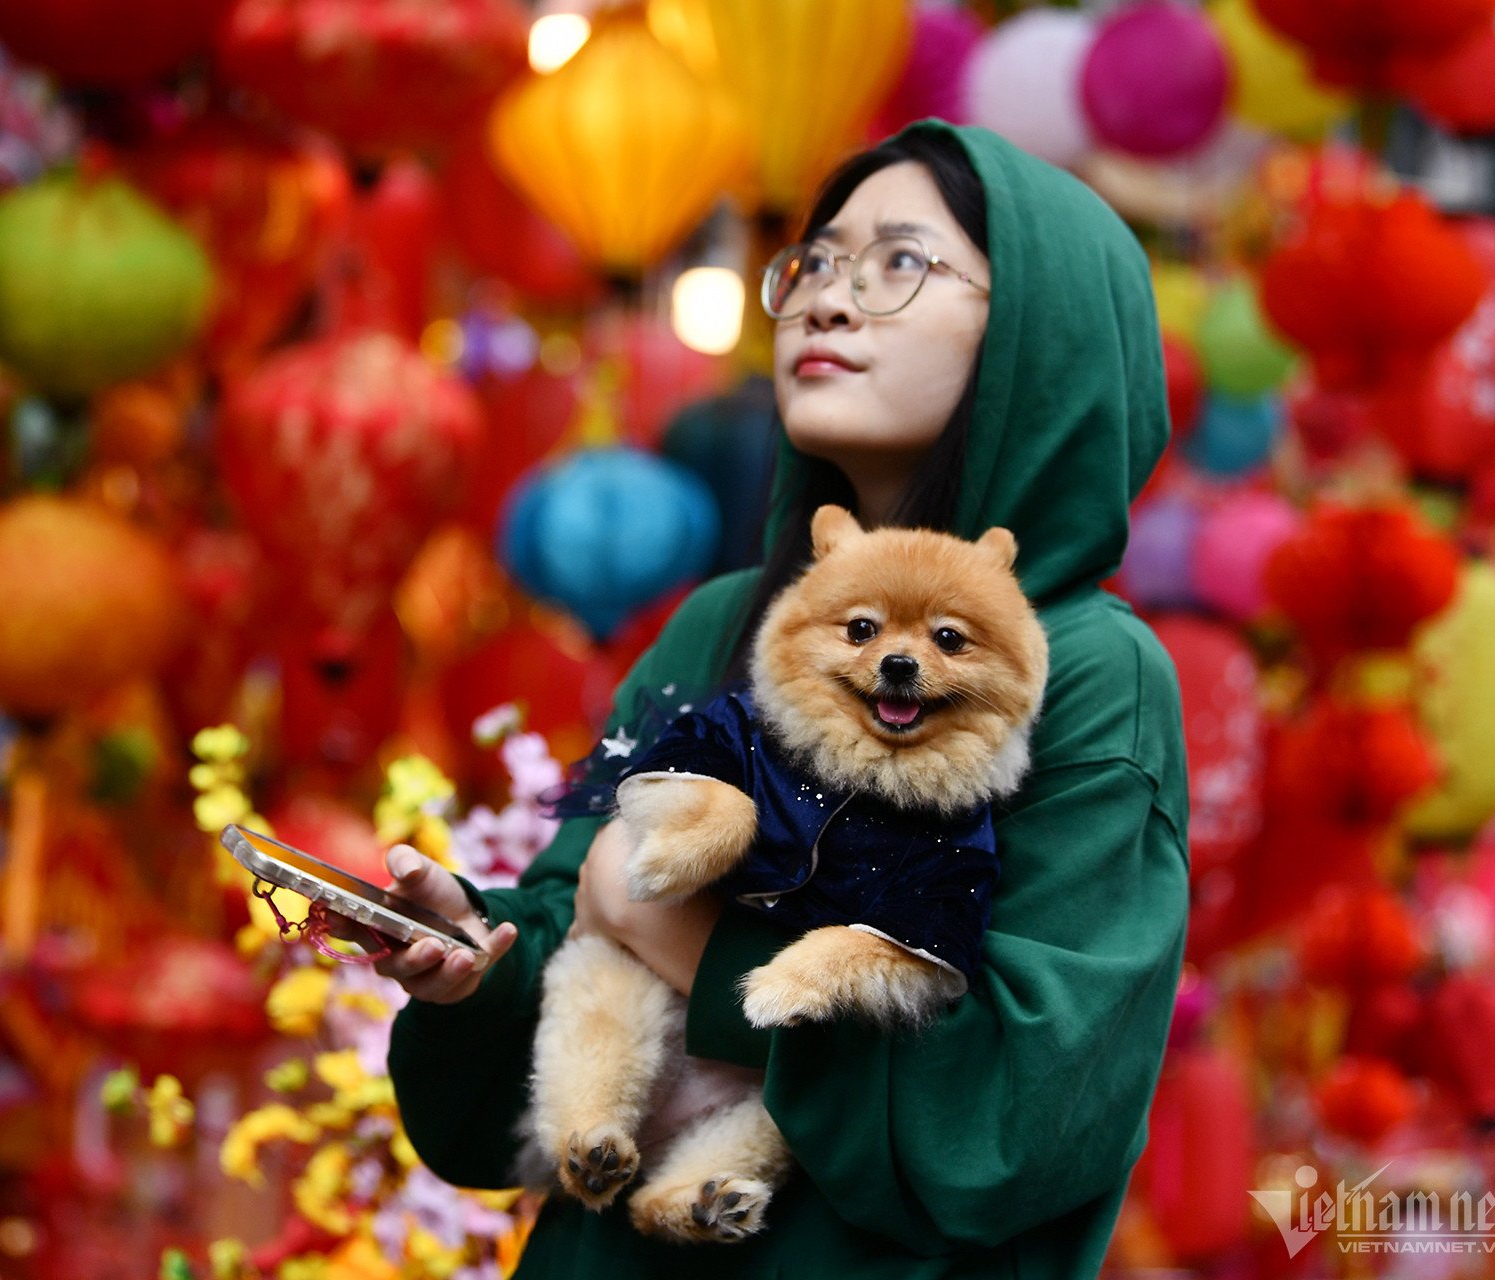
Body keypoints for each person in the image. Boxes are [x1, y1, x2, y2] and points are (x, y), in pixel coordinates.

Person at [372, 119, 1189, 1279]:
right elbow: (569, 936)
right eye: (813, 262)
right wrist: (484, 965)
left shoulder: (1092, 666)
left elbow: (1016, 1118)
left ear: (1039, 337)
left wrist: (683, 942)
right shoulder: (722, 625)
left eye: (899, 262)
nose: (826, 298)